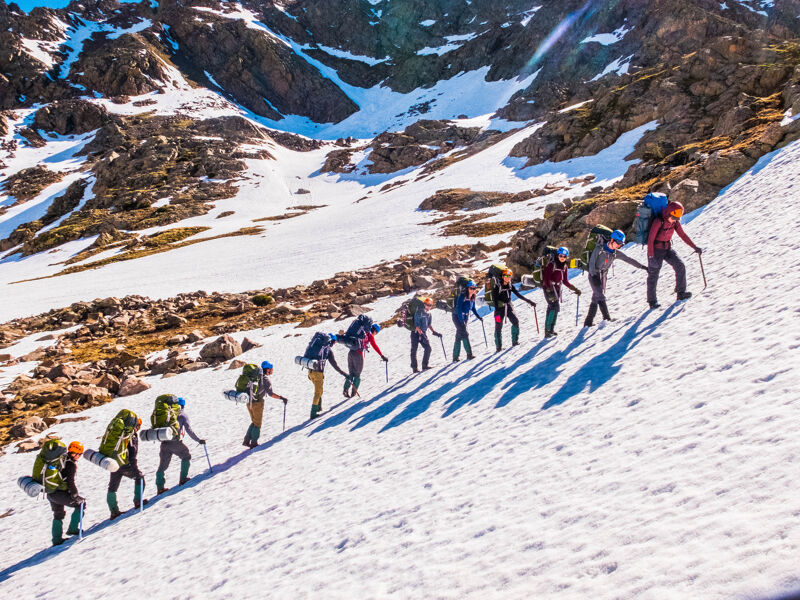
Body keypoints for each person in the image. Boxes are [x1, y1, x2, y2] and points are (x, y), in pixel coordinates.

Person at [584, 230, 647, 327]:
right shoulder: (599, 248)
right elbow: (592, 263)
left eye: (621, 244)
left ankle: (588, 323)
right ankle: (607, 318)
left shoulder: (615, 253)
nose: (619, 245)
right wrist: (594, 276)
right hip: (594, 275)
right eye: (618, 243)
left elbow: (628, 259)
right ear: (612, 239)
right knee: (600, 295)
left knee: (596, 298)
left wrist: (643, 267)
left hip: (602, 276)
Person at [646, 200, 702, 308]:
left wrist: (694, 247)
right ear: (668, 213)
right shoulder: (658, 221)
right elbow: (650, 240)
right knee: (653, 274)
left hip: (667, 248)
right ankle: (652, 301)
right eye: (673, 217)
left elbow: (683, 235)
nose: (674, 221)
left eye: (677, 218)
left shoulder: (675, 222)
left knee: (680, 266)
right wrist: (651, 256)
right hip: (656, 250)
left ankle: (681, 293)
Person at [156, 397, 205, 494]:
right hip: (175, 442)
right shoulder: (182, 415)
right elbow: (189, 430)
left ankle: (160, 488)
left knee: (162, 466)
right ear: (183, 405)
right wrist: (198, 440)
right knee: (186, 456)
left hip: (164, 443)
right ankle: (183, 479)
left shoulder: (167, 414)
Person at [106, 414, 145, 520]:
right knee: (140, 478)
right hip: (125, 464)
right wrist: (135, 468)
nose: (139, 428)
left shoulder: (121, 435)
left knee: (112, 487)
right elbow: (132, 453)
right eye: (139, 426)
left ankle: (114, 511)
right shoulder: (131, 436)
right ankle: (138, 501)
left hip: (115, 464)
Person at [243, 361, 288, 448]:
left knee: (254, 421)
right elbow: (271, 394)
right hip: (257, 403)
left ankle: (246, 440)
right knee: (258, 423)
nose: (272, 370)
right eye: (271, 369)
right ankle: (254, 443)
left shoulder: (256, 377)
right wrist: (281, 398)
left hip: (249, 402)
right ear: (268, 369)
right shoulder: (266, 379)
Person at [48, 441, 85, 546]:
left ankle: (56, 540)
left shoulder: (60, 459)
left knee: (58, 514)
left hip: (50, 492)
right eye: (78, 454)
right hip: (59, 493)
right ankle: (73, 529)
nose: (78, 456)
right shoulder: (70, 464)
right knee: (81, 504)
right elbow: (70, 482)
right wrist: (75, 495)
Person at [490, 267, 536, 351]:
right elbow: (495, 300)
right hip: (498, 310)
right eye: (506, 276)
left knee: (515, 321)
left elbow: (518, 295)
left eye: (509, 276)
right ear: (502, 276)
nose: (507, 277)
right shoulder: (497, 286)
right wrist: (497, 312)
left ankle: (515, 341)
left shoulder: (510, 285)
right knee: (498, 327)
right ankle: (498, 347)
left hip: (508, 306)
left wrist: (529, 301)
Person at [543, 247, 581, 338]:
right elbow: (546, 278)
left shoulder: (564, 266)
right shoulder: (552, 265)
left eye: (564, 256)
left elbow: (565, 281)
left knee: (553, 308)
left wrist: (575, 289)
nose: (562, 257)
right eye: (561, 255)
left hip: (557, 289)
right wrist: (549, 289)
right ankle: (548, 330)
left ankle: (550, 329)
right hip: (549, 289)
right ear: (557, 255)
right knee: (554, 307)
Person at [308, 333, 348, 419]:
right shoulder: (328, 350)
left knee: (319, 390)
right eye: (334, 342)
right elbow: (335, 365)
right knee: (318, 392)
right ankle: (313, 413)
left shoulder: (317, 346)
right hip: (318, 372)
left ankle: (318, 407)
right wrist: (343, 373)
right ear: (332, 341)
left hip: (310, 370)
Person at [343, 323, 388, 398]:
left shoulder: (361, 331)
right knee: (357, 375)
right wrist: (382, 356)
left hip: (350, 352)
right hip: (358, 354)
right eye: (376, 333)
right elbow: (375, 346)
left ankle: (345, 389)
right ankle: (354, 393)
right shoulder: (369, 335)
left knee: (351, 373)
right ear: (375, 331)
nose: (375, 334)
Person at [452, 280, 482, 361]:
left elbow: (473, 308)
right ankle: (469, 354)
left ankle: (455, 357)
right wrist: (461, 321)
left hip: (465, 317)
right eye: (471, 288)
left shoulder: (472, 297)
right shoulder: (462, 296)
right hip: (457, 317)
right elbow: (458, 308)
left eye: (474, 288)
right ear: (467, 288)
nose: (472, 289)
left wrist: (478, 316)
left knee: (459, 336)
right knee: (465, 334)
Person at [411, 297, 442, 372]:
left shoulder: (429, 314)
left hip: (423, 333)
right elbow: (417, 325)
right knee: (414, 350)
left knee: (428, 348)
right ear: (424, 304)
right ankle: (414, 368)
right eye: (427, 304)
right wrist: (421, 334)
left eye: (430, 305)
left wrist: (434, 332)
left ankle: (425, 365)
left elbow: (429, 324)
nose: (428, 306)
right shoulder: (419, 312)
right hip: (415, 333)